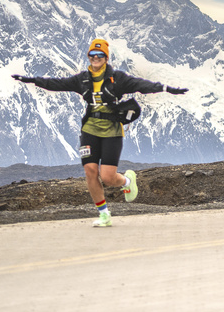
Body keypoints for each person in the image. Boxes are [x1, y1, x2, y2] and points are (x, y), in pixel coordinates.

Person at [12, 38, 188, 226]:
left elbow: (140, 85)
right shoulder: (82, 79)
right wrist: (32, 80)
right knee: (90, 170)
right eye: (92, 54)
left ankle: (127, 182)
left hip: (112, 131)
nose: (95, 58)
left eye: (100, 55)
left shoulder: (117, 78)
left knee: (108, 178)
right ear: (89, 56)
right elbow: (57, 84)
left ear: (106, 57)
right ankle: (104, 214)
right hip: (90, 129)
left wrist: (166, 88)